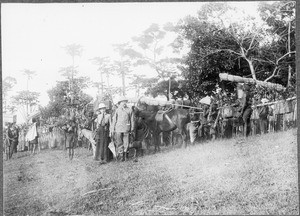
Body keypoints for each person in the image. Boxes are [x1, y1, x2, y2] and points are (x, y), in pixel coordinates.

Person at [111, 96, 135, 161]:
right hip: (118, 129)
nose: (123, 103)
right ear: (120, 103)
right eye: (122, 102)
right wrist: (112, 129)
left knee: (126, 143)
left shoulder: (129, 110)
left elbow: (132, 120)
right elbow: (114, 120)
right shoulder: (117, 110)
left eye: (125, 101)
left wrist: (132, 128)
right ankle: (121, 156)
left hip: (126, 129)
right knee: (119, 143)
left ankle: (125, 156)